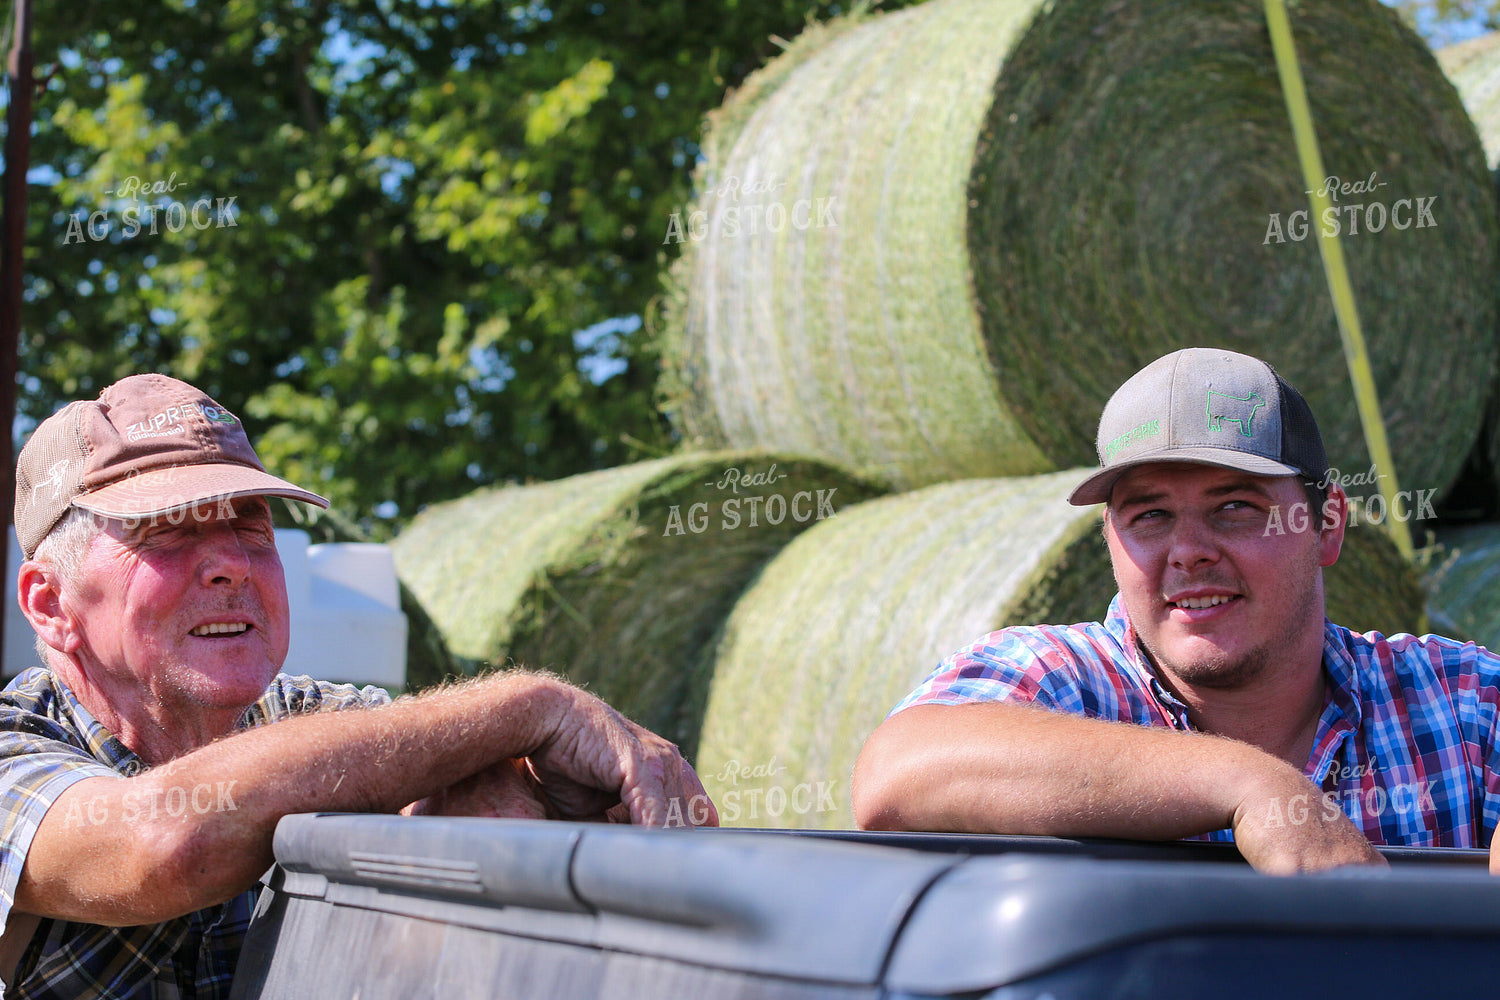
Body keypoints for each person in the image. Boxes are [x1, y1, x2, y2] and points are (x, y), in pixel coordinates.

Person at [0, 373, 716, 998]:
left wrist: (524, 793)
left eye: (253, 529)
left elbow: (462, 782)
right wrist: (536, 706)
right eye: (166, 533)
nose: (233, 565)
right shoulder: (13, 743)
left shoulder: (311, 716)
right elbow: (162, 843)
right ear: (50, 604)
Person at [852, 347, 1500, 875]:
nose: (1188, 553)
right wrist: (1252, 786)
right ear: (1109, 542)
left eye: (1235, 508)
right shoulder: (1056, 682)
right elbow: (895, 776)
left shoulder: (1461, 702)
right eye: (1151, 516)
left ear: (1327, 524)